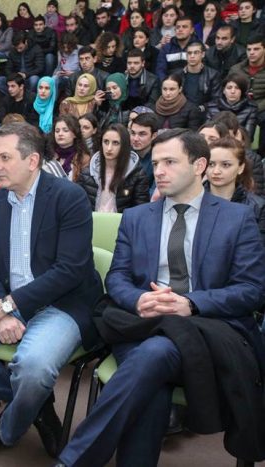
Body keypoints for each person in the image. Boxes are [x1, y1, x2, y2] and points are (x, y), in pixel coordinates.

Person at [57, 128, 265, 467]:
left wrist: (191, 303)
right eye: (155, 163)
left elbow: (251, 289)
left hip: (207, 326)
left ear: (199, 165)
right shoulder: (137, 217)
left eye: (170, 162)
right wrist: (139, 299)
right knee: (153, 368)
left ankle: (72, 461)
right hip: (143, 322)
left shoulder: (237, 218)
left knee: (156, 356)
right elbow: (117, 277)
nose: (159, 171)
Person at [0, 122, 103, 459]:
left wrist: (8, 306)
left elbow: (69, 271)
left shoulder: (69, 197)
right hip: (8, 299)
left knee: (33, 367)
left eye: (4, 158)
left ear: (32, 161)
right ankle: (38, 403)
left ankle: (7, 428)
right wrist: (0, 310)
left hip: (62, 304)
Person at [76, 123, 150, 212]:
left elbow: (141, 210)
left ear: (124, 145)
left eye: (115, 143)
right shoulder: (88, 173)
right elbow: (77, 205)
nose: (109, 148)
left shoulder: (137, 174)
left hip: (123, 221)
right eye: (106, 142)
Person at [206, 137, 265, 242]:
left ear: (240, 168)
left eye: (225, 165)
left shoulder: (257, 206)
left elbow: (257, 247)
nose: (216, 171)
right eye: (211, 164)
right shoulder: (192, 200)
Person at [207, 73, 258, 137]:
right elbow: (207, 132)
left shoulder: (251, 108)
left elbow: (248, 136)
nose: (233, 91)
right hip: (215, 140)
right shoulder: (212, 107)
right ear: (224, 90)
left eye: (237, 88)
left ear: (242, 91)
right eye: (229, 88)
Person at [0, 31, 44, 95]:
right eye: (16, 48)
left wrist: (26, 75)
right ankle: (13, 96)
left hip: (29, 76)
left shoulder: (36, 49)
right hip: (16, 77)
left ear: (26, 42)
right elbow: (8, 68)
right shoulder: (13, 51)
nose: (18, 50)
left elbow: (40, 68)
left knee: (34, 79)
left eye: (20, 48)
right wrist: (15, 76)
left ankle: (27, 97)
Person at [156, 16, 199, 81]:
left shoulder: (199, 47)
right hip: (170, 84)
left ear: (192, 30)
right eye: (178, 27)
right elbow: (160, 70)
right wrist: (166, 83)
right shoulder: (166, 48)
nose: (180, 29)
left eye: (184, 27)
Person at [182, 42, 221, 111]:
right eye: (189, 53)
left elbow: (216, 99)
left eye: (196, 53)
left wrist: (202, 108)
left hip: (204, 112)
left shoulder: (213, 75)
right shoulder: (179, 75)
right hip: (182, 112)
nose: (192, 56)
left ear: (203, 54)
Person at [51, 115, 90, 180]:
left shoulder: (83, 158)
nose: (60, 134)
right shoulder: (49, 155)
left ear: (75, 134)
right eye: (57, 131)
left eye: (65, 130)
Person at [130, 112, 160, 192]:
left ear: (154, 136)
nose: (135, 139)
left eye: (142, 134)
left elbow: (154, 192)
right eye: (133, 133)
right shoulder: (124, 154)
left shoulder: (159, 159)